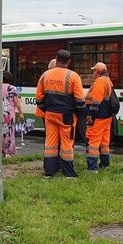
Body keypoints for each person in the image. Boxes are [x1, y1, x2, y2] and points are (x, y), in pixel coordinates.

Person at [36, 50, 85, 178]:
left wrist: (46, 109)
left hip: (50, 114)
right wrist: (79, 114)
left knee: (50, 143)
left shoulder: (45, 75)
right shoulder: (73, 76)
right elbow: (80, 101)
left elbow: (39, 99)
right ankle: (68, 173)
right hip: (67, 116)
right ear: (69, 61)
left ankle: (49, 172)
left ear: (56, 59)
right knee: (67, 144)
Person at [85, 62, 114, 171]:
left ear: (97, 72)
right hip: (106, 116)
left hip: (98, 117)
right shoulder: (108, 80)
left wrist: (90, 115)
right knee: (104, 142)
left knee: (92, 141)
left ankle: (92, 168)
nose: (93, 73)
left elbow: (96, 101)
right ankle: (105, 164)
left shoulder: (99, 81)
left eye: (93, 71)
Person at [1, 71, 24, 156]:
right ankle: (8, 151)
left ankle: (1, 150)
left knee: (1, 131)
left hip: (0, 110)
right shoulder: (13, 88)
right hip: (9, 112)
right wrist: (21, 113)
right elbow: (16, 102)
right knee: (9, 131)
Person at [35, 59, 57, 124]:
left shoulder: (43, 76)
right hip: (50, 111)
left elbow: (39, 97)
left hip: (46, 111)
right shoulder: (47, 77)